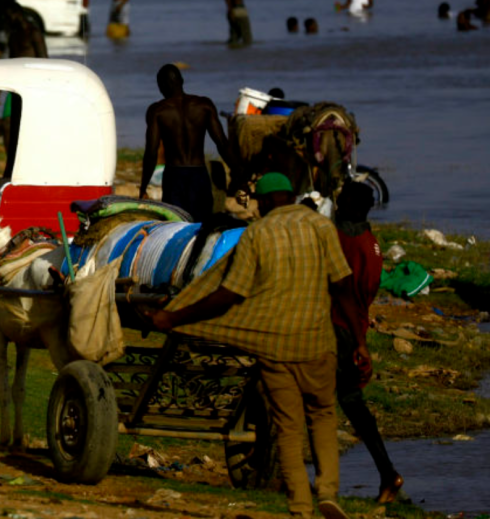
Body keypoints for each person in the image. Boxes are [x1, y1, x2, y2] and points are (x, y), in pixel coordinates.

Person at [147, 173, 369, 519]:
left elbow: (229, 294)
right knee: (323, 416)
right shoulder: (321, 227)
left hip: (275, 347)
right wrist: (359, 340)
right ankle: (327, 493)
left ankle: (299, 507)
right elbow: (343, 287)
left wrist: (174, 317)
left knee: (289, 426)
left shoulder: (259, 233)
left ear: (263, 202)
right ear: (292, 195)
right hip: (317, 343)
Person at [333, 182, 404, 504]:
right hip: (352, 329)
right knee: (352, 403)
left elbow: (345, 292)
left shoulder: (345, 241)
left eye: (341, 199)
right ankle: (387, 472)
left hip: (338, 330)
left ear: (347, 205)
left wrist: (358, 340)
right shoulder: (370, 245)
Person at [140, 64, 234, 223]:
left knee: (176, 226)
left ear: (161, 85)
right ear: (182, 80)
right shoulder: (204, 105)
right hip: (199, 175)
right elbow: (222, 143)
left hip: (174, 177)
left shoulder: (158, 111)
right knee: (201, 225)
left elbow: (151, 152)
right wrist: (239, 175)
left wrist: (143, 187)